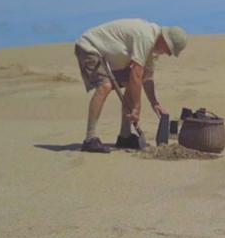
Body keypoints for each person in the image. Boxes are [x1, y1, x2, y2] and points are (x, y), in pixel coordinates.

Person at [73, 19, 187, 152]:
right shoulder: (146, 37)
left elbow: (147, 78)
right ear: (165, 40)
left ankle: (124, 136)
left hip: (107, 57)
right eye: (169, 50)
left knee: (129, 82)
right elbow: (136, 74)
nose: (168, 54)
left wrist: (154, 103)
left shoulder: (152, 49)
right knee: (105, 85)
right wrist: (136, 108)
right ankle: (89, 139)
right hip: (89, 47)